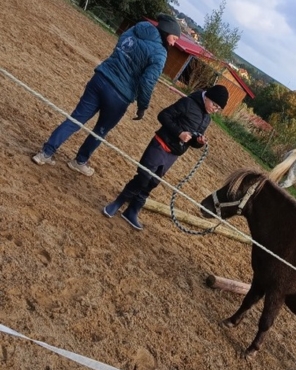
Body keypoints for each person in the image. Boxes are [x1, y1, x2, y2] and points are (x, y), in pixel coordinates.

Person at [31, 14, 181, 177]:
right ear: (167, 32)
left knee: (76, 118)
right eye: (174, 38)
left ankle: (45, 153)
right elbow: (147, 82)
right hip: (119, 95)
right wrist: (142, 106)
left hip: (100, 78)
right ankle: (79, 161)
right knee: (100, 131)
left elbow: (121, 43)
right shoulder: (160, 53)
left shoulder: (136, 28)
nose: (174, 43)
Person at [102, 84, 229, 230]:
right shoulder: (187, 103)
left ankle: (132, 210)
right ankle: (118, 203)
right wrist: (179, 133)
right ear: (207, 97)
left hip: (173, 154)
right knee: (143, 177)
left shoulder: (207, 119)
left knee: (153, 182)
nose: (215, 109)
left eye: (218, 108)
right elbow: (163, 115)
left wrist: (199, 142)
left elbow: (193, 141)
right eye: (215, 105)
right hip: (160, 144)